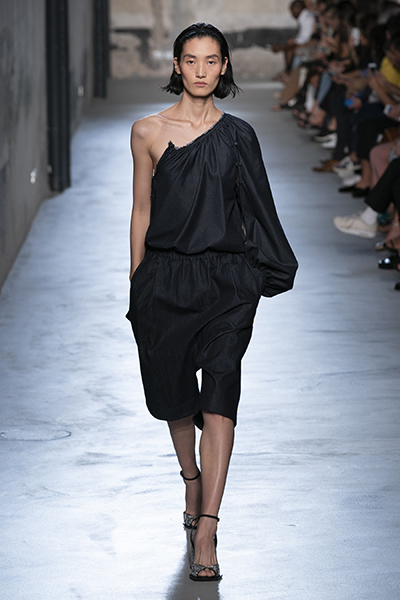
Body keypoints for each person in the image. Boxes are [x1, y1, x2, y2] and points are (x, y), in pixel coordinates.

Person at [126, 23, 298, 582]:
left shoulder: (240, 136)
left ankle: (207, 527)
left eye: (211, 60)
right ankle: (191, 479)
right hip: (166, 280)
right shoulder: (147, 131)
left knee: (222, 389)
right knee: (173, 394)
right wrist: (138, 283)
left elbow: (257, 209)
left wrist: (253, 275)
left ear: (224, 67)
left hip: (226, 283)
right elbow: (142, 210)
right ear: (177, 65)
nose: (200, 70)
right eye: (191, 60)